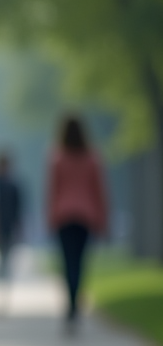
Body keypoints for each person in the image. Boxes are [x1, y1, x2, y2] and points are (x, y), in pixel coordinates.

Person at [46, 114, 108, 333]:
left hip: (63, 215)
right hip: (85, 215)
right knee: (80, 263)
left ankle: (70, 305)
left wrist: (50, 217)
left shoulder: (57, 157)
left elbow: (53, 191)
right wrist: (102, 218)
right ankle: (75, 305)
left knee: (67, 262)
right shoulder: (91, 157)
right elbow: (99, 191)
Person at [0, 150, 24, 316]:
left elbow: (18, 211)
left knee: (5, 263)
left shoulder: (11, 185)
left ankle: (2, 297)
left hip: (7, 230)